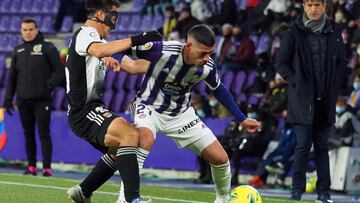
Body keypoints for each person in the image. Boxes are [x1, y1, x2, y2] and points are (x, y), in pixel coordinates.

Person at [117, 24, 261, 203]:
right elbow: (120, 48)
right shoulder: (162, 50)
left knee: (221, 159)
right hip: (149, 107)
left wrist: (241, 118)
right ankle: (125, 199)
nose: (206, 58)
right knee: (144, 141)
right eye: (202, 53)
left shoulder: (207, 66)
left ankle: (222, 200)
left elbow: (219, 89)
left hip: (181, 115)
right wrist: (114, 59)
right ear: (189, 45)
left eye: (210, 53)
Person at [64, 0, 163, 202]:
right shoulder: (86, 34)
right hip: (83, 111)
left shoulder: (100, 43)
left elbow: (135, 67)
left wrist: (171, 63)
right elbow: (100, 52)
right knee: (130, 134)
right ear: (101, 14)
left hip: (92, 109)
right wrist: (137, 39)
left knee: (122, 149)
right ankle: (132, 199)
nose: (115, 21)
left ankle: (83, 191)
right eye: (114, 15)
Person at [274, 0, 348, 202]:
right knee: (303, 146)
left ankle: (324, 194)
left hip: (326, 99)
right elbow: (280, 62)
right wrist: (296, 80)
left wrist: (336, 85)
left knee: (322, 147)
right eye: (309, 5)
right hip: (302, 99)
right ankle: (296, 192)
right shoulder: (293, 32)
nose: (313, 9)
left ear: (324, 6)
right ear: (304, 7)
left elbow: (343, 61)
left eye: (317, 4)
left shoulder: (334, 31)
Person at [3, 18, 64, 177]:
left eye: (30, 29)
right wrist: (8, 99)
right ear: (21, 31)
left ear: (36, 30)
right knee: (28, 134)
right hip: (23, 100)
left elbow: (59, 71)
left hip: (42, 100)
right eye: (24, 30)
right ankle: (31, 166)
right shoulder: (18, 50)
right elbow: (12, 78)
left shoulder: (48, 47)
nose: (28, 32)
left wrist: (48, 86)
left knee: (44, 133)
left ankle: (46, 168)